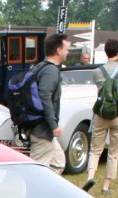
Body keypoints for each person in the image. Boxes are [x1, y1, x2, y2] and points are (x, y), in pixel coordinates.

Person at [84, 37, 118, 194]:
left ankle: (90, 176)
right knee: (113, 152)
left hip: (100, 114)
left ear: (106, 52)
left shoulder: (97, 72)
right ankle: (106, 186)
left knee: (95, 150)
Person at [28, 34, 69, 174]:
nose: (68, 53)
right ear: (58, 50)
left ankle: (47, 188)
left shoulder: (39, 67)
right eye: (66, 49)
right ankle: (34, 188)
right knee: (38, 172)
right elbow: (45, 97)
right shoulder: (50, 71)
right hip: (43, 130)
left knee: (58, 163)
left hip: (40, 128)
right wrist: (53, 125)